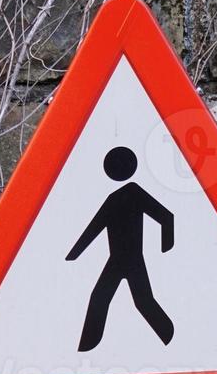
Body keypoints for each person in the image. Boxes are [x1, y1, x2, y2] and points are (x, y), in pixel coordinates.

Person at [66, 146, 175, 352]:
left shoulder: (134, 192)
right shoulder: (114, 198)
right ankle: (86, 347)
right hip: (116, 259)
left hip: (132, 258)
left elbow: (166, 217)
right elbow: (94, 228)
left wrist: (166, 247)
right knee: (103, 297)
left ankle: (169, 336)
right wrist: (73, 255)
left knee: (140, 301)